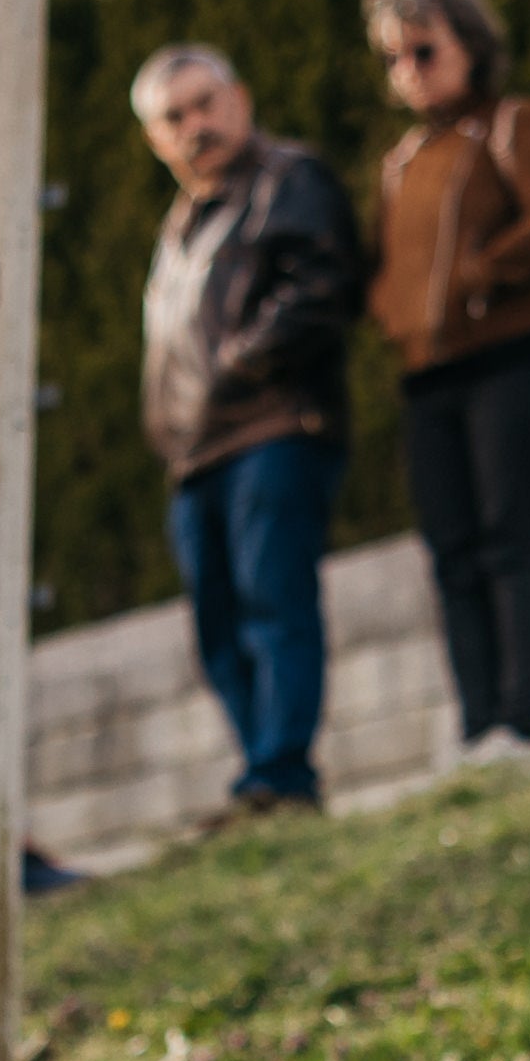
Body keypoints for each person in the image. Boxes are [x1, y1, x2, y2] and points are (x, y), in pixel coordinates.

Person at [360, 0, 530, 769]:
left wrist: (478, 275)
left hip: (515, 357)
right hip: (430, 375)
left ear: (470, 47)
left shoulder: (513, 125)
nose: (410, 71)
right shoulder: (402, 161)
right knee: (451, 554)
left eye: (424, 50)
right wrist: (397, 312)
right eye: (394, 58)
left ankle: (521, 723)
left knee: (509, 540)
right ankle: (476, 725)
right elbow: (389, 264)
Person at [133, 46, 365, 817]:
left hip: (273, 424)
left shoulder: (286, 180)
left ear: (241, 97)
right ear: (156, 139)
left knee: (275, 600)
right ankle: (260, 771)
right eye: (176, 116)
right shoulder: (181, 226)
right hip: (195, 452)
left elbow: (322, 284)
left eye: (206, 103)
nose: (196, 125)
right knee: (218, 628)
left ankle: (283, 770)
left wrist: (237, 366)